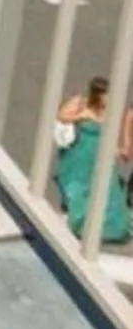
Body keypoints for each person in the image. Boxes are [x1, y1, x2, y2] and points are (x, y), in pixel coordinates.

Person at [53, 78, 133, 247]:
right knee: (79, 187)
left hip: (98, 155)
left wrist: (118, 150)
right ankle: (79, 220)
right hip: (80, 153)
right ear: (98, 95)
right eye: (106, 96)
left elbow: (108, 135)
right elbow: (61, 116)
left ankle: (109, 227)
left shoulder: (108, 111)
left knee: (106, 191)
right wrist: (81, 115)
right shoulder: (80, 103)